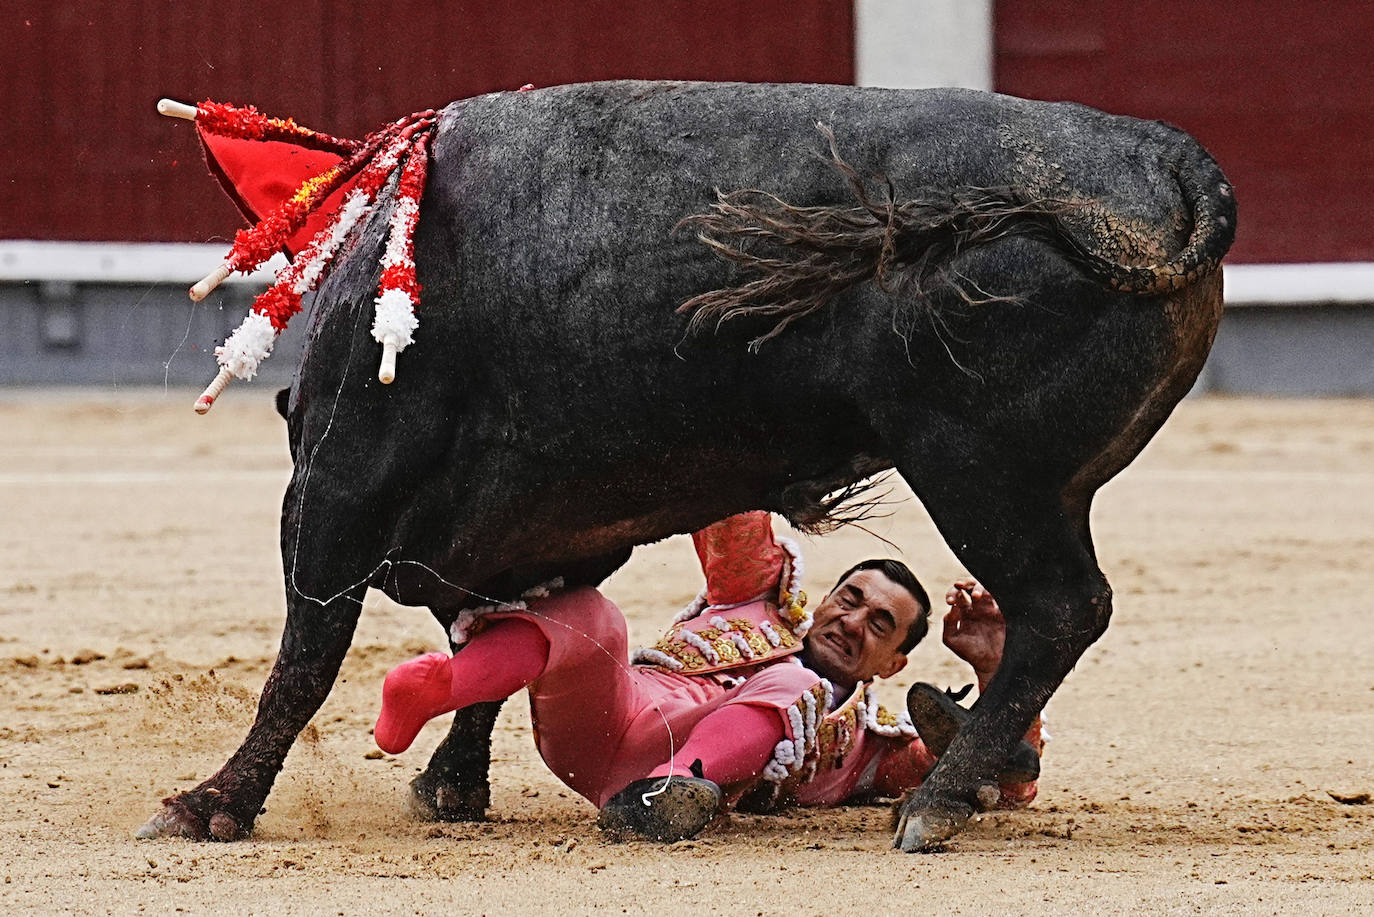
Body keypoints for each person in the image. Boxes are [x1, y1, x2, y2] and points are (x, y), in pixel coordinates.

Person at [374, 512, 1043, 841]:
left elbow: (1006, 780)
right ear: (824, 599)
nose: (852, 621)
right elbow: (733, 512)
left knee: (796, 688)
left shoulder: (867, 745)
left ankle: (670, 793)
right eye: (850, 599)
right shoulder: (754, 596)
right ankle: (438, 687)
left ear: (893, 664)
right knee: (595, 616)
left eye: (880, 624)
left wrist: (995, 666)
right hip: (605, 719)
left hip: (659, 778)